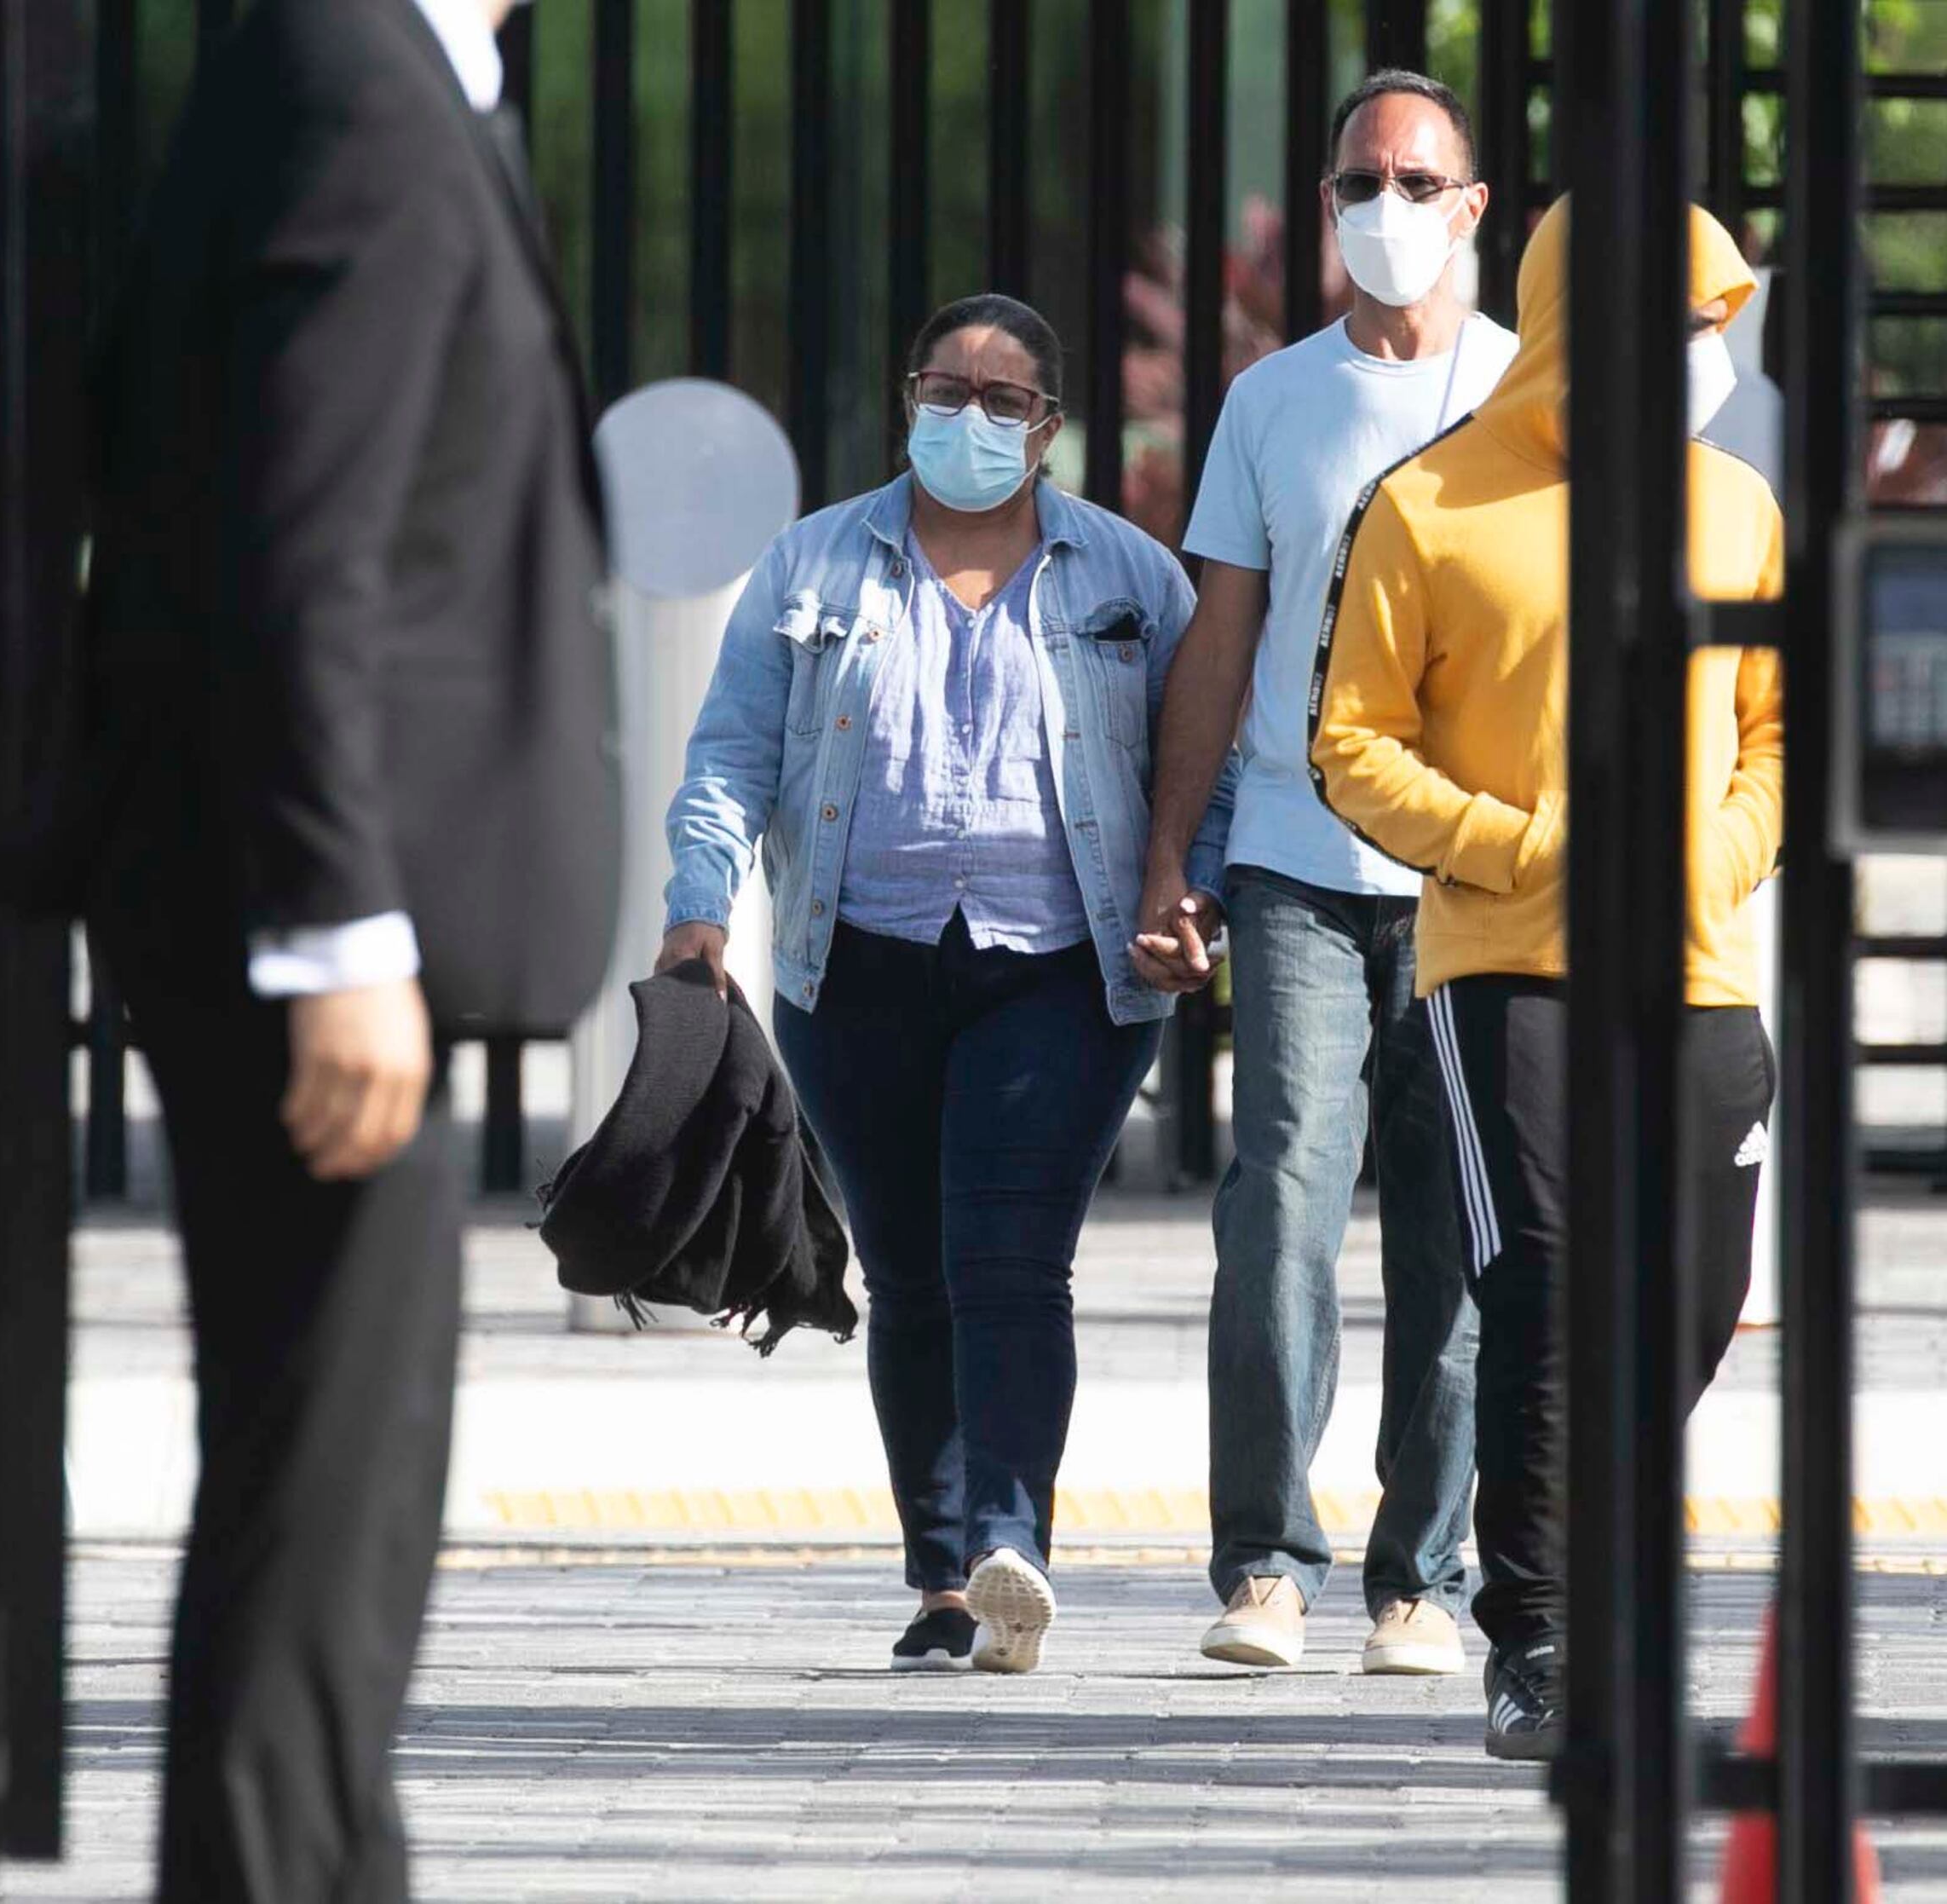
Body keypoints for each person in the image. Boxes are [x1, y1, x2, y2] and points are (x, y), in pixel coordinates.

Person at [60, 0, 613, 1896]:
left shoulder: (370, 73)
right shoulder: (351, 77)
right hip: (298, 934)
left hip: (303, 919)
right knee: (319, 1527)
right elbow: (298, 540)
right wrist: (334, 930)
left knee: (343, 1519)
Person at [660, 294, 1229, 1676]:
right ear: (903, 398)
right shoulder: (815, 566)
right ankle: (941, 1579)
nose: (966, 419)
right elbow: (732, 752)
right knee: (910, 1271)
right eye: (943, 388)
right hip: (852, 964)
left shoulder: (1131, 579)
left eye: (1001, 398)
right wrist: (698, 913)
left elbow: (1199, 767)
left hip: (1061, 967)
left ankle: (1009, 1535)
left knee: (1013, 1256)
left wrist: (1191, 896)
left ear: (1048, 427)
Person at [1310, 198, 1784, 1759]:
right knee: (1551, 1291)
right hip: (1505, 969)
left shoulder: (1739, 511)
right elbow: (1350, 744)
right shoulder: (1428, 504)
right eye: (1682, 319)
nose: (1707, 352)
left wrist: (1713, 855)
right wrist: (1519, 843)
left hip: (1701, 973)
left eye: (1720, 322)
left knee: (1695, 1307)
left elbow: (1780, 731)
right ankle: (1543, 1637)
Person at [1132, 70, 1515, 1678]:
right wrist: (1172, 845)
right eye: (1362, 179)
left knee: (1453, 1220)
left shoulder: (1528, 398)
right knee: (1278, 1198)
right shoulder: (1271, 401)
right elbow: (1221, 632)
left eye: (1418, 182)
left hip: (1472, 875)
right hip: (1295, 855)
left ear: (1472, 206)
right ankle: (1265, 1563)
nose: (1386, 208)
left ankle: (1422, 1576)